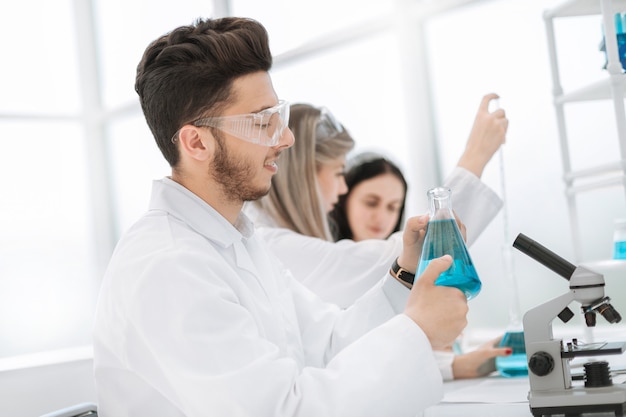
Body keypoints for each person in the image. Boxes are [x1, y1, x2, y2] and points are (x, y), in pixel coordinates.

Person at [92, 17, 469, 417]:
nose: (285, 138)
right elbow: (281, 411)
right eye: (261, 122)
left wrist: (405, 274)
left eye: (278, 115)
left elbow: (328, 344)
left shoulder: (240, 242)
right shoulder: (168, 266)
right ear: (197, 142)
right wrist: (418, 331)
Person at [247, 97, 510, 380]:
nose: (343, 187)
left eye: (392, 206)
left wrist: (453, 365)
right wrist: (475, 155)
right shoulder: (272, 245)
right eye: (338, 173)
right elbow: (380, 266)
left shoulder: (276, 244)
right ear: (304, 176)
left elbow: (341, 346)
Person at [330, 152, 408, 242]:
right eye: (371, 203)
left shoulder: (407, 254)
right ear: (344, 200)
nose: (381, 218)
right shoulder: (319, 252)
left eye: (392, 207)